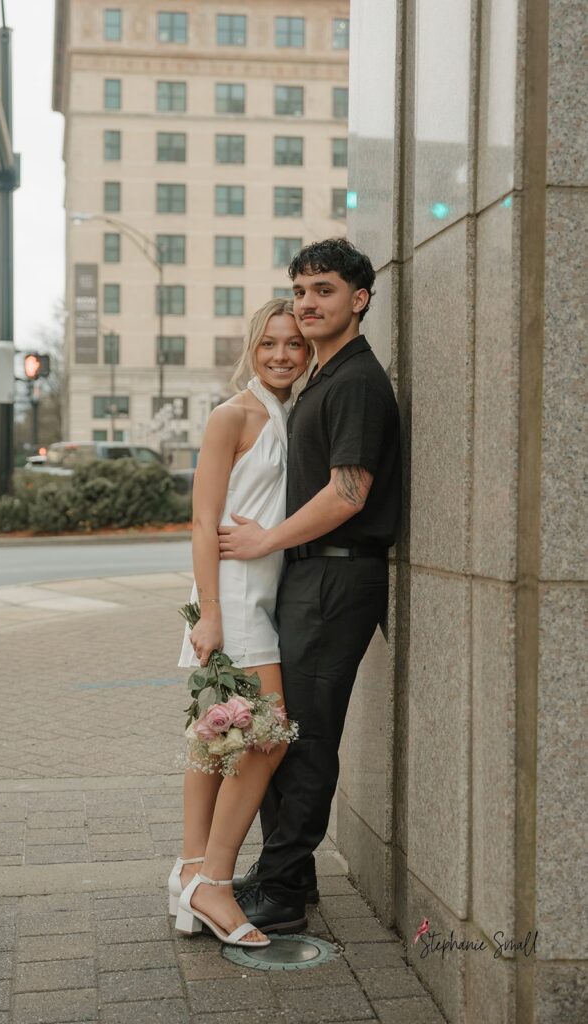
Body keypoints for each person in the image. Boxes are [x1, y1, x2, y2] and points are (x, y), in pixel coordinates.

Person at [219, 238, 401, 933]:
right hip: (314, 573)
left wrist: (265, 539)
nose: (306, 304)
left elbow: (349, 493)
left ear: (359, 298)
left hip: (336, 574)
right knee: (286, 730)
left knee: (305, 737)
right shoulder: (323, 377)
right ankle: (287, 873)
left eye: (323, 290)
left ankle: (284, 895)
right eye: (299, 291)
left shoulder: (355, 382)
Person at [170, 298, 314, 947]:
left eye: (293, 344)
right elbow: (203, 522)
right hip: (232, 598)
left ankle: (190, 868)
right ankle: (215, 885)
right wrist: (210, 613)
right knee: (266, 738)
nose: (281, 355)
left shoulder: (289, 413)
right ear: (251, 349)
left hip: (260, 594)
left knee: (217, 738)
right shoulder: (233, 414)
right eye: (268, 344)